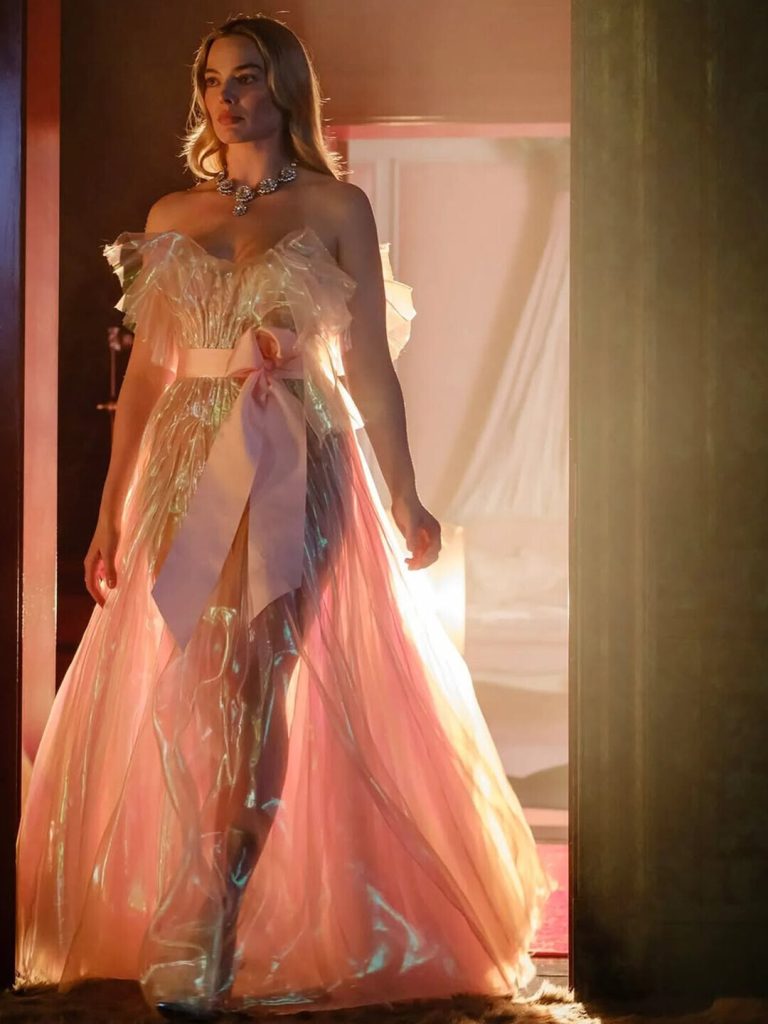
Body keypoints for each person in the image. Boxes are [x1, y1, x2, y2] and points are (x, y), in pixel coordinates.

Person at [15, 13, 555, 1020]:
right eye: (215, 80)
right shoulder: (171, 213)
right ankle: (198, 910)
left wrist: (406, 492)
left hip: (298, 454)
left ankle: (209, 924)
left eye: (250, 77)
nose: (229, 97)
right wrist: (106, 514)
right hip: (185, 464)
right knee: (193, 684)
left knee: (256, 681)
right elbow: (145, 382)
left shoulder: (336, 204)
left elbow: (372, 371)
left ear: (286, 88)